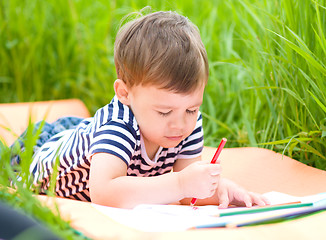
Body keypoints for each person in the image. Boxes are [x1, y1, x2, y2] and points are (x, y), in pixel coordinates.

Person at [26, 11, 269, 209]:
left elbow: (187, 192)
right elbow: (104, 193)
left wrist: (222, 190)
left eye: (192, 109)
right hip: (36, 153)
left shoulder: (186, 122)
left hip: (86, 135)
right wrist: (181, 183)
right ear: (124, 93)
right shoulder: (119, 125)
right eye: (164, 112)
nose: (180, 124)